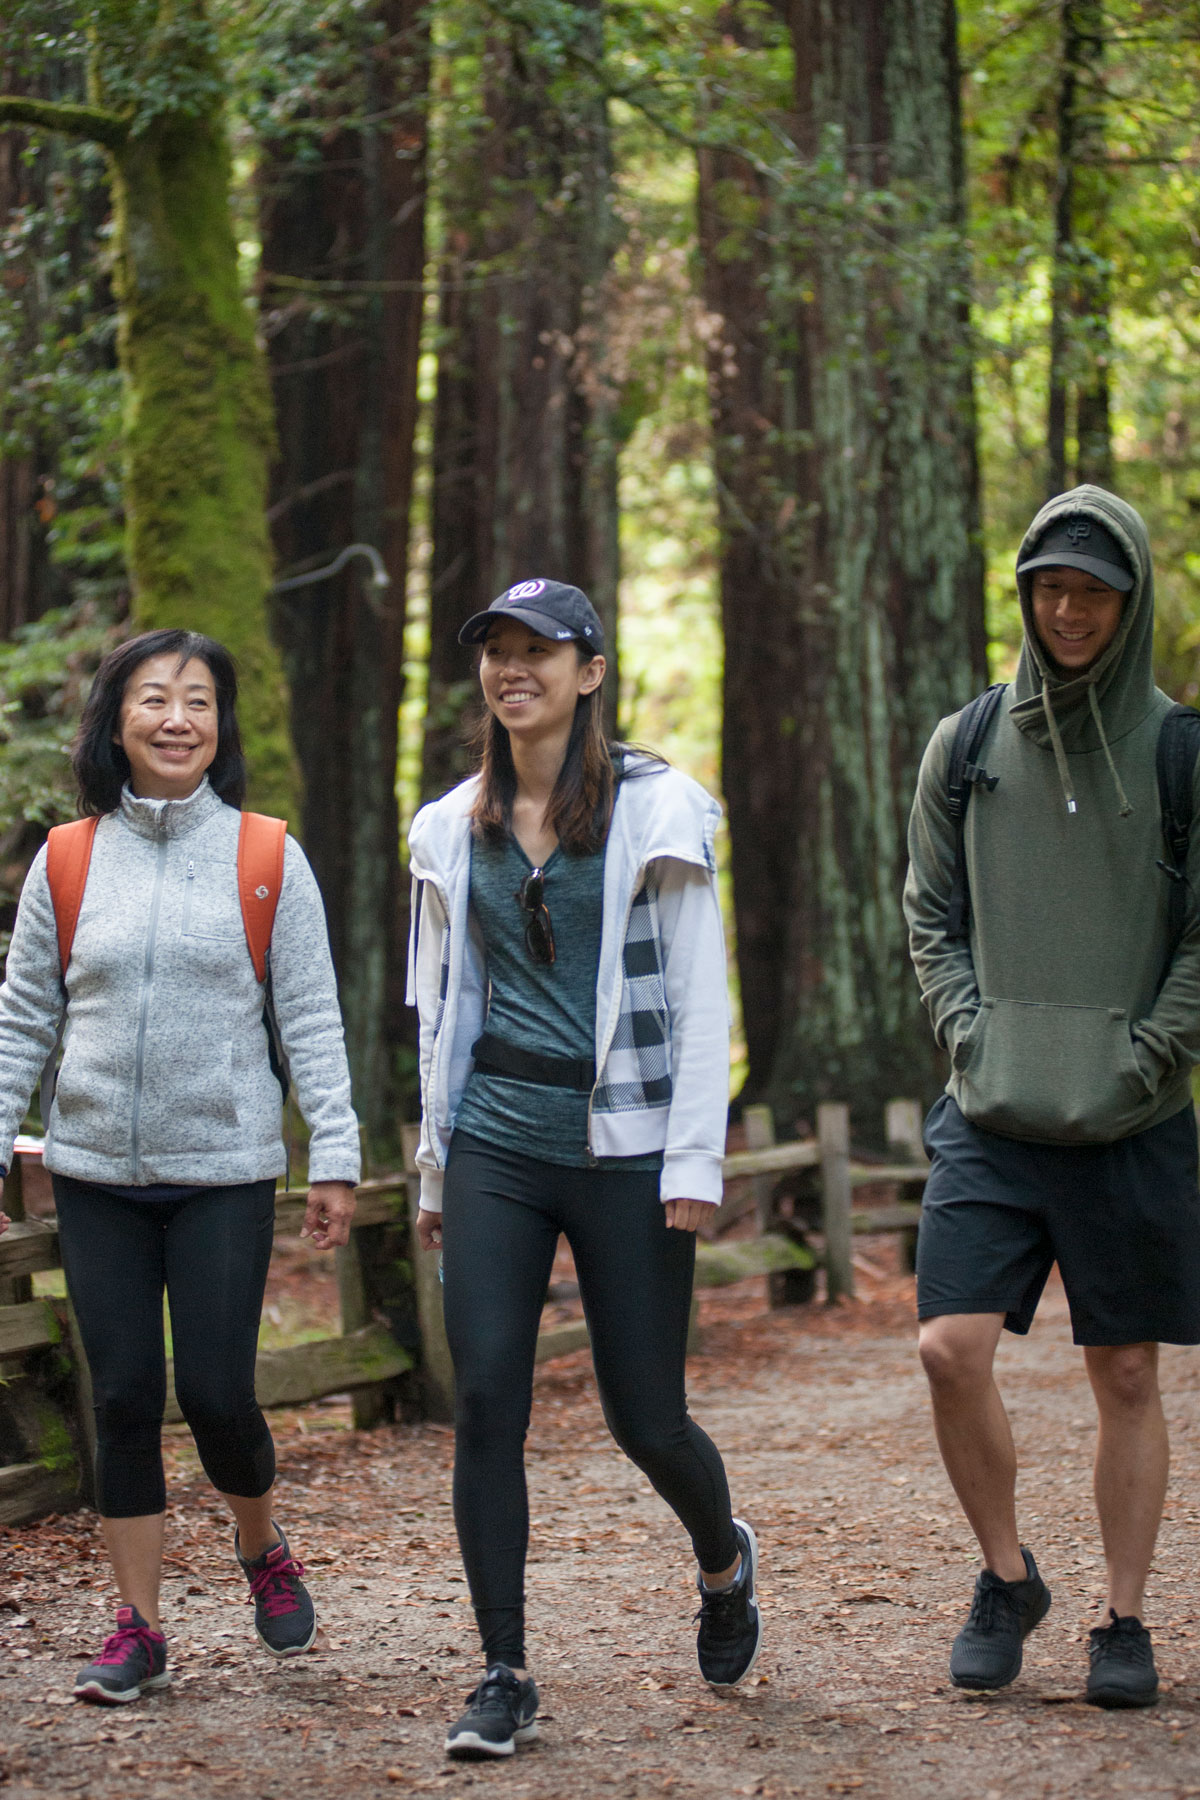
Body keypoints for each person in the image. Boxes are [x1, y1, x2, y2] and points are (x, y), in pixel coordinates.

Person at [408, 578, 761, 1760]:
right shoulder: (452, 824)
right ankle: (503, 1669)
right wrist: (432, 1163)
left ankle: (723, 1561)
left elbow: (701, 992)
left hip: (627, 1144)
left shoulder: (661, 810)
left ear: (590, 672)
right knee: (488, 1402)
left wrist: (697, 1159)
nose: (516, 670)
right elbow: (440, 1009)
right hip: (500, 1139)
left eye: (540, 651)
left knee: (645, 1418)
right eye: (498, 653)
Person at [0, 629, 361, 1705]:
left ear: (220, 725)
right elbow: (23, 1018)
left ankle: (261, 1545)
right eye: (154, 699)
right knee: (119, 1398)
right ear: (117, 720)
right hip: (97, 1172)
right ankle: (140, 1628)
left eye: (198, 700)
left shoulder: (265, 855)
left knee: (214, 1392)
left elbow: (310, 1020)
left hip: (224, 1171)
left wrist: (333, 1154)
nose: (175, 718)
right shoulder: (66, 859)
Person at [904, 485, 1200, 1709]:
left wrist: (1148, 1057)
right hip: (991, 1111)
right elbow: (931, 915)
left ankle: (1123, 1622)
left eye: (1093, 589)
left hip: (1129, 1118)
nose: (1069, 608)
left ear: (1128, 600)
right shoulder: (966, 746)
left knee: (1126, 1374)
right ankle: (1007, 1576)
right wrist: (972, 1038)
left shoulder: (1181, 749)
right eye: (1050, 587)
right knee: (946, 1347)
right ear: (1026, 596)